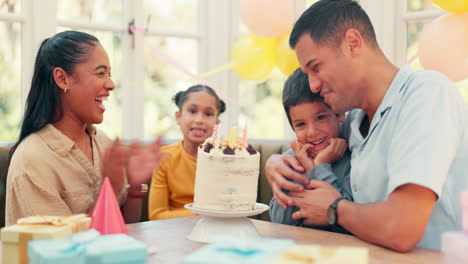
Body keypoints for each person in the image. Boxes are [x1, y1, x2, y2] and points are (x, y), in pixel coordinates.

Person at [265, 0, 468, 251]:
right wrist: (274, 164)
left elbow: (402, 229)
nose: (313, 85)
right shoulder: (353, 120)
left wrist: (334, 208)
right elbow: (311, 145)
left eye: (316, 68)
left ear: (352, 43)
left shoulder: (427, 93)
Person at [6, 30, 165, 226]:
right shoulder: (32, 161)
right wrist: (112, 190)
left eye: (109, 74)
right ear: (63, 79)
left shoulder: (103, 142)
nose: (111, 84)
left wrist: (135, 186)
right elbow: (59, 248)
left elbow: (125, 225)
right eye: (101, 73)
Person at [269, 68, 352, 233]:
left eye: (320, 117)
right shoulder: (292, 161)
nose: (312, 132)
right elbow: (280, 222)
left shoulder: (354, 158)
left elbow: (345, 223)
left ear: (340, 114)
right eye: (300, 124)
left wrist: (318, 167)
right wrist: (298, 170)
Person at [148, 85, 226, 220]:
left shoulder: (230, 159)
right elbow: (156, 215)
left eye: (208, 114)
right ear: (178, 117)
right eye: (192, 111)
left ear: (216, 123)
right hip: (173, 231)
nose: (199, 120)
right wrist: (205, 213)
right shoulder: (164, 158)